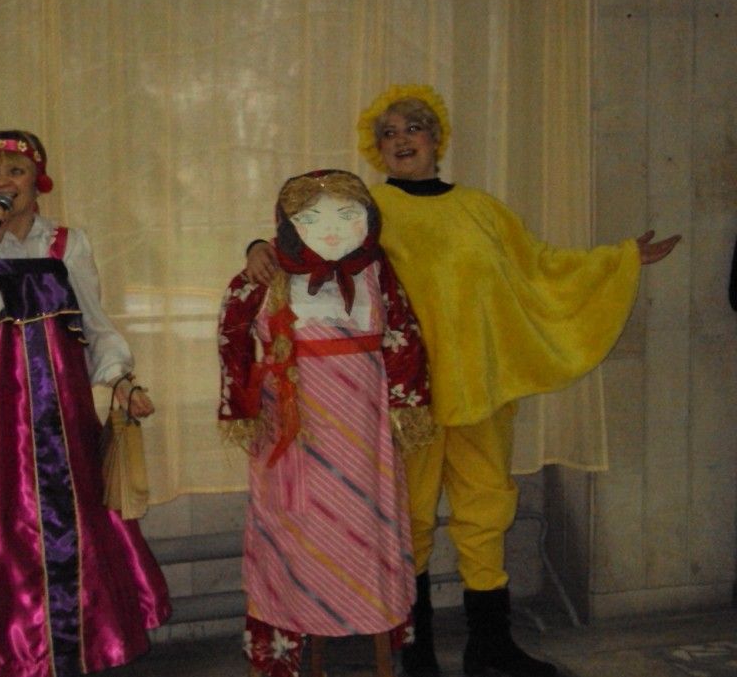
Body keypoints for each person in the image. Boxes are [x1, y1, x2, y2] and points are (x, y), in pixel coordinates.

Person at [246, 85, 681, 677]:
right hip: (406, 399)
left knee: (487, 510)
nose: (401, 140)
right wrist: (258, 246)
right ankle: (416, 651)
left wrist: (619, 258)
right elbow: (306, 252)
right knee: (412, 518)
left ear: (436, 138)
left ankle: (490, 647)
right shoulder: (367, 213)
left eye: (413, 128)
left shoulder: (483, 210)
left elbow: (541, 266)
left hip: (481, 390)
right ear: (375, 148)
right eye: (388, 133)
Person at [0, 129, 171, 677]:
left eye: (15, 171)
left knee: (74, 525)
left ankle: (73, 651)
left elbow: (94, 325)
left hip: (62, 422)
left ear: (38, 180)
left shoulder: (67, 244)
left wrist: (121, 380)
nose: (1, 182)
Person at [219, 170, 431, 677]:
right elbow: (232, 333)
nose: (332, 229)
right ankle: (290, 635)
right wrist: (243, 407)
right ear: (288, 224)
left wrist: (407, 405)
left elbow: (403, 337)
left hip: (364, 434)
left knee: (366, 529)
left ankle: (368, 629)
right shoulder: (269, 271)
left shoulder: (377, 271)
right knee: (293, 533)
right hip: (292, 431)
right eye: (312, 218)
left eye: (346, 215)